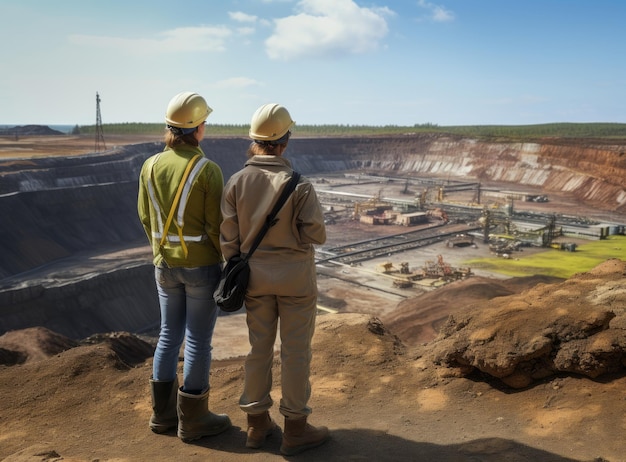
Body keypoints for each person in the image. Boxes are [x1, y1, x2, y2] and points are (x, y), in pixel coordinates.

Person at [219, 103, 329, 455]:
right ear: (285, 141)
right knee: (296, 353)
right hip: (296, 281)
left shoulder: (236, 182)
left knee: (258, 350)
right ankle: (295, 429)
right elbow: (316, 235)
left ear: (254, 141)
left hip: (255, 281)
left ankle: (256, 425)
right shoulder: (300, 186)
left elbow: (229, 242)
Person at [137, 91, 231, 442]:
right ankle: (194, 420)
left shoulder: (149, 166)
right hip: (201, 268)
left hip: (163, 265)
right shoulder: (208, 170)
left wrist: (162, 252)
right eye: (204, 121)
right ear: (197, 128)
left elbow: (146, 217)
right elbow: (214, 226)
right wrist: (227, 261)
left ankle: (162, 417)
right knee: (196, 341)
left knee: (167, 335)